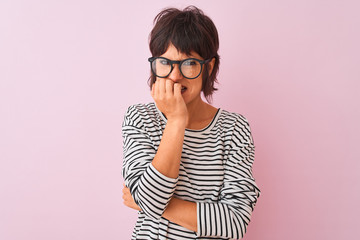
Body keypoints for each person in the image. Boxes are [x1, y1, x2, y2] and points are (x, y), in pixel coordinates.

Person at [121, 6, 261, 240]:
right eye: (165, 62)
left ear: (209, 66)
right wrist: (176, 121)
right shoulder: (139, 118)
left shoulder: (234, 128)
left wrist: (152, 205)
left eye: (188, 64)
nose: (175, 75)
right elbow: (148, 199)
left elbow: (235, 223)